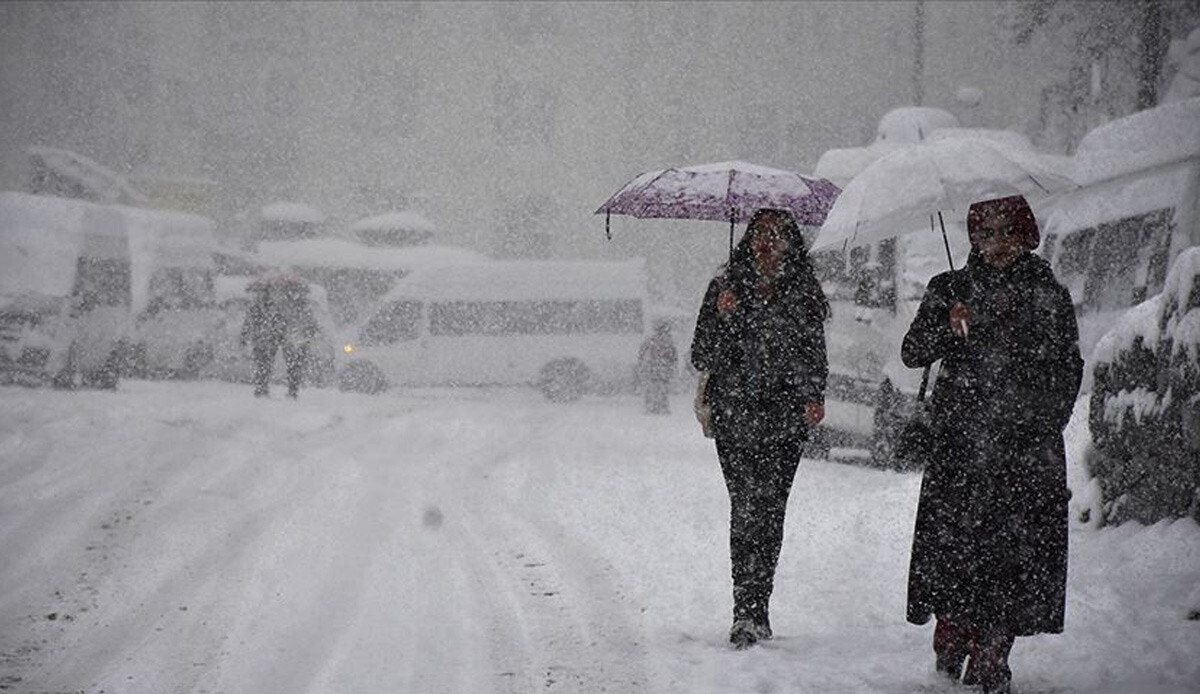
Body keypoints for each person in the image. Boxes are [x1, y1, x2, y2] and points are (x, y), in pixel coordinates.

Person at [901, 195, 1083, 694]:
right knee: (957, 553)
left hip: (1024, 453)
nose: (997, 244)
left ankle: (993, 653)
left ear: (1026, 236)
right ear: (973, 239)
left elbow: (1067, 370)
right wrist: (946, 324)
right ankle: (953, 632)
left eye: (1008, 232)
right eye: (986, 233)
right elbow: (911, 352)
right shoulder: (950, 288)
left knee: (1011, 559)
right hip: (960, 450)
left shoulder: (1047, 294)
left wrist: (1039, 422)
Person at [690, 208, 830, 649]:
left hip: (784, 420)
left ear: (791, 242)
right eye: (761, 234)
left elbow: (813, 353)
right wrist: (723, 315)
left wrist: (813, 396)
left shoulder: (803, 292)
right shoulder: (725, 288)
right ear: (748, 239)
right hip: (735, 416)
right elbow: (701, 354)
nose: (767, 242)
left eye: (778, 234)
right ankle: (744, 610)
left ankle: (759, 605)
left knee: (770, 512)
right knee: (745, 507)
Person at [241, 275, 318, 399]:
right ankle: (289, 390)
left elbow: (251, 321)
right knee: (291, 365)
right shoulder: (297, 305)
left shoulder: (265, 306)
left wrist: (246, 335)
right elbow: (309, 323)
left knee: (265, 364)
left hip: (270, 338)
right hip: (289, 339)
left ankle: (263, 389)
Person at [637, 319, 678, 414]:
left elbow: (642, 352)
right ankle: (661, 407)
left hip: (654, 367)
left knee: (653, 388)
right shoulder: (668, 341)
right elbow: (674, 356)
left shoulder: (651, 340)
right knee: (661, 389)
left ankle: (653, 407)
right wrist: (672, 366)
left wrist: (642, 362)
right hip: (662, 368)